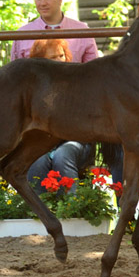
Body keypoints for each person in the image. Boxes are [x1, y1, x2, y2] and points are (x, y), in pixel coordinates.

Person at [26, 38, 94, 195]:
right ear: (41, 62)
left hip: (78, 142)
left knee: (63, 154)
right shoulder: (32, 87)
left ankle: (71, 210)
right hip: (44, 142)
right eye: (53, 57)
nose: (59, 60)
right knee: (37, 159)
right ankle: (38, 211)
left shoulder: (78, 81)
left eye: (61, 55)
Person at [11, 0, 98, 63]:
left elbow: (93, 71)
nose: (43, 3)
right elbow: (15, 74)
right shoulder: (22, 35)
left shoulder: (82, 31)